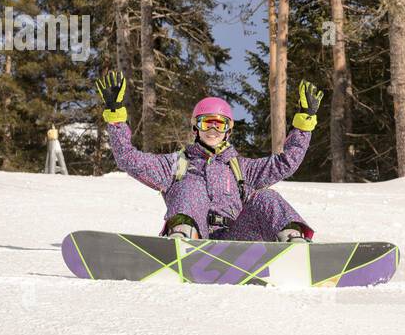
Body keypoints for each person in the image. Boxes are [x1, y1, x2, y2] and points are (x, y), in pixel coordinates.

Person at [94, 70, 322, 243]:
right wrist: (115, 116)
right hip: (196, 241)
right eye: (206, 123)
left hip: (238, 239)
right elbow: (127, 158)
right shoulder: (175, 164)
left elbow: (286, 163)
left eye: (219, 124)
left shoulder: (242, 168)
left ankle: (293, 242)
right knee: (189, 188)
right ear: (196, 128)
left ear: (228, 129)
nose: (212, 130)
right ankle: (182, 236)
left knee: (267, 197)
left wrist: (304, 123)